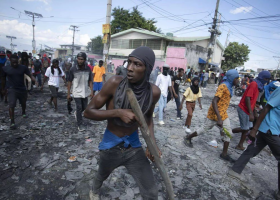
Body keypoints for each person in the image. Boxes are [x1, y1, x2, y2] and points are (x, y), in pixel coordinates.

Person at [84, 46, 161, 199]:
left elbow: (148, 119)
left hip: (133, 145)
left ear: (147, 69)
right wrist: (117, 112)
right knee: (102, 173)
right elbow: (88, 112)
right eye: (129, 62)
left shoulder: (154, 92)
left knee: (151, 191)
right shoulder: (114, 83)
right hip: (111, 144)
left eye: (137, 64)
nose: (130, 68)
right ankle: (94, 190)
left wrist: (152, 145)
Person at [228, 87, 280, 199]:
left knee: (252, 149)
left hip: (271, 128)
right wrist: (254, 129)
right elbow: (266, 108)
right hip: (270, 129)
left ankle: (235, 169)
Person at [184, 69, 240, 162]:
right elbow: (214, 101)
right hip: (215, 114)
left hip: (223, 114)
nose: (238, 80)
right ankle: (188, 137)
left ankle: (224, 154)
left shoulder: (230, 87)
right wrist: (219, 118)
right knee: (204, 129)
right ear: (231, 78)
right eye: (236, 78)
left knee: (228, 133)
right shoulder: (223, 86)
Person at [232, 71, 271, 150]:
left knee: (247, 128)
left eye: (268, 79)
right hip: (243, 108)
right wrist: (251, 113)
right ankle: (230, 133)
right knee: (245, 128)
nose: (266, 80)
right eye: (265, 78)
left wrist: (254, 111)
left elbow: (253, 100)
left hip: (248, 109)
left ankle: (240, 144)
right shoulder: (254, 84)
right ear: (261, 77)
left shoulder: (259, 87)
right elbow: (247, 98)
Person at [1, 55, 35, 129]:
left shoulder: (23, 68)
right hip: (11, 89)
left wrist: (32, 78)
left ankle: (23, 112)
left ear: (18, 61)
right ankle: (12, 122)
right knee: (12, 105)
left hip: (22, 89)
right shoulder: (5, 69)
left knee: (23, 103)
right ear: (10, 61)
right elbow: (3, 79)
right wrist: (3, 89)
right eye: (13, 62)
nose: (15, 64)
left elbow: (29, 74)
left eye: (16, 62)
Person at [68, 52, 93, 131]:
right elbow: (69, 82)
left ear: (85, 60)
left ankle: (77, 114)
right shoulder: (73, 69)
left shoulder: (88, 69)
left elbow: (90, 81)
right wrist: (68, 93)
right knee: (79, 107)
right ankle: (80, 124)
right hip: (76, 92)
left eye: (81, 59)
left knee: (84, 107)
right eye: (78, 59)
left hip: (85, 91)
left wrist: (92, 91)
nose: (80, 61)